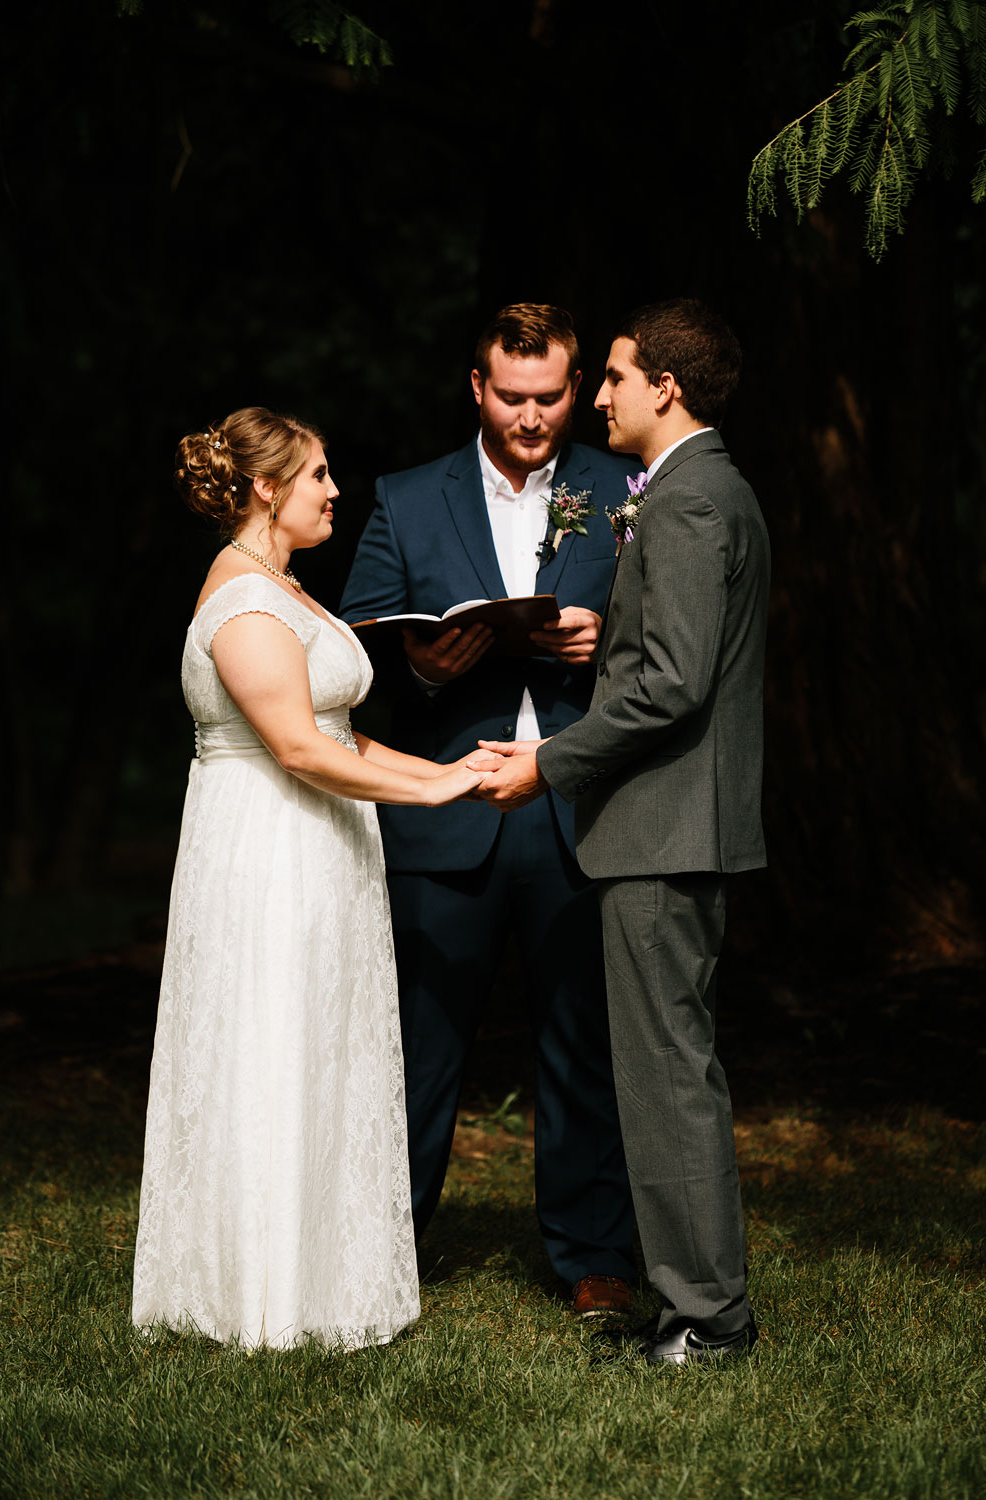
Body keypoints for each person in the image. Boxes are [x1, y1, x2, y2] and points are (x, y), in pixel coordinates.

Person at [132, 406, 488, 1351]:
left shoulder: (285, 589)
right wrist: (432, 795)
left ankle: (328, 1271)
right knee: (272, 1043)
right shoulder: (244, 605)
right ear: (265, 488)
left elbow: (339, 733)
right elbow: (294, 748)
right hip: (271, 848)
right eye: (320, 474)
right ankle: (265, 1296)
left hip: (323, 841)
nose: (336, 490)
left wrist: (453, 778)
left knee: (323, 1042)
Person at [474, 299, 770, 1364]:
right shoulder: (695, 491)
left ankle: (709, 1319)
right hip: (667, 828)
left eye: (611, 374)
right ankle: (695, 1302)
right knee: (662, 1074)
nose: (596, 395)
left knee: (665, 1080)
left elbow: (674, 687)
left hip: (663, 830)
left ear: (666, 389)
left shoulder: (687, 503)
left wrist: (550, 761)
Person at [339, 304, 637, 1315]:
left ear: (577, 382)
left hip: (574, 801)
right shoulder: (406, 496)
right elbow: (351, 645)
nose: (531, 417)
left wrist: (611, 640)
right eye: (511, 398)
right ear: (476, 388)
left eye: (550, 397)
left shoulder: (619, 485)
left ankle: (593, 1253)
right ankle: (385, 1250)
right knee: (419, 1045)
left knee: (581, 1039)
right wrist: (419, 664)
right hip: (445, 801)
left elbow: (675, 634)